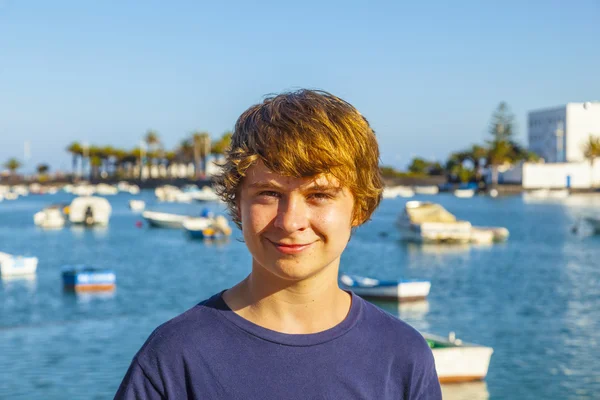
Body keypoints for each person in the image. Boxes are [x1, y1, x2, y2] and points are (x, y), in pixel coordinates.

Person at [115, 89, 442, 399]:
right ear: (237, 205)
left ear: (360, 207)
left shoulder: (402, 357)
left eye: (319, 195)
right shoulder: (176, 357)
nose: (290, 221)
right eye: (269, 194)